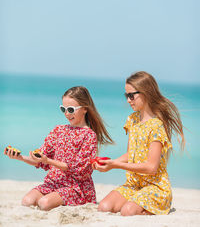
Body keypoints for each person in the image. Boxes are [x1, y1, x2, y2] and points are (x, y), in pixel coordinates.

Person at [4, 86, 113, 211]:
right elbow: (39, 160)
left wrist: (48, 161)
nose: (67, 114)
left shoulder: (89, 135)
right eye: (64, 109)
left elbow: (77, 169)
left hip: (75, 187)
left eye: (71, 109)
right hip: (53, 182)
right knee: (27, 201)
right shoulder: (58, 130)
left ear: (84, 109)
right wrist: (20, 157)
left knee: (44, 203)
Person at [94, 71, 185, 216]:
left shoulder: (156, 126)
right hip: (134, 185)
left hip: (155, 188)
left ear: (146, 93)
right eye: (126, 96)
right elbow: (131, 154)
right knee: (104, 207)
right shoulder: (132, 120)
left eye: (131, 96)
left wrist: (116, 165)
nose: (128, 100)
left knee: (127, 211)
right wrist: (110, 164)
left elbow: (151, 168)